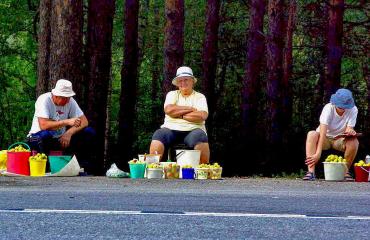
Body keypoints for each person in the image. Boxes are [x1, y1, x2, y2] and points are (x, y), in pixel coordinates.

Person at [27, 79, 97, 174]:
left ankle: (82, 167)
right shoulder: (44, 100)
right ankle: (45, 167)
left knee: (89, 132)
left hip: (60, 139)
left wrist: (69, 133)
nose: (68, 100)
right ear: (56, 96)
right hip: (38, 139)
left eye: (69, 97)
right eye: (65, 98)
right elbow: (43, 125)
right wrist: (67, 122)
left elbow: (84, 121)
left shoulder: (70, 101)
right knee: (45, 135)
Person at [149, 66, 210, 164]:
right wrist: (190, 109)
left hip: (193, 130)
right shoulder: (172, 94)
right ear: (177, 83)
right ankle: (152, 167)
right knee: (159, 134)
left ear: (192, 81)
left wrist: (178, 114)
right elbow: (169, 110)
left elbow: (202, 116)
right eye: (180, 81)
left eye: (186, 80)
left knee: (200, 136)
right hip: (170, 129)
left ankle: (203, 170)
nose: (183, 83)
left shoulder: (200, 97)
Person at [304, 88, 359, 181]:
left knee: (354, 142)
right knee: (312, 134)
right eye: (340, 106)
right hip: (324, 137)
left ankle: (345, 172)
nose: (342, 108)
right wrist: (318, 154)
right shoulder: (328, 108)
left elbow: (349, 128)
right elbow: (322, 132)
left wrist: (350, 131)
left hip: (340, 139)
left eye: (345, 106)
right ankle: (311, 172)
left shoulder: (353, 109)